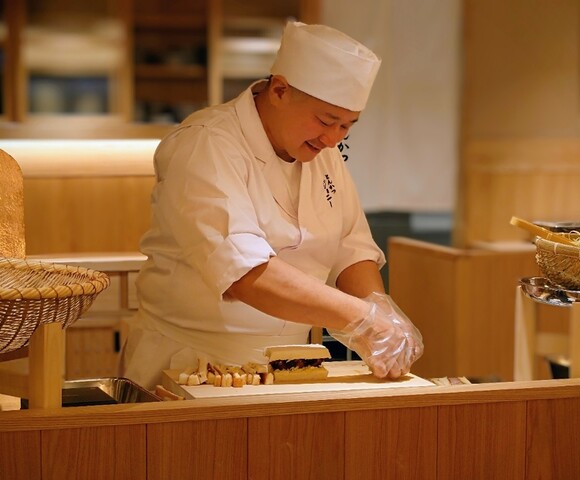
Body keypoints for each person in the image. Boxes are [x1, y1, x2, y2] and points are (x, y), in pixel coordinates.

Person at [122, 21, 423, 389]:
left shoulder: (322, 152)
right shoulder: (207, 144)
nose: (333, 139)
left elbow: (350, 247)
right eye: (326, 120)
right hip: (190, 363)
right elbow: (245, 274)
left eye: (347, 126)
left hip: (291, 366)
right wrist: (362, 317)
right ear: (280, 90)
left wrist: (381, 311)